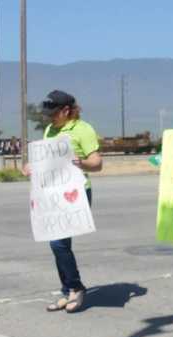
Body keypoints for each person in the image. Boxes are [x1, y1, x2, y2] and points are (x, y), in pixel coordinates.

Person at [23, 90, 103, 312]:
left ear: (67, 110)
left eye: (53, 113)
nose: (49, 118)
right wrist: (31, 168)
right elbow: (48, 162)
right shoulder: (50, 130)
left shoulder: (82, 129)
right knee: (56, 242)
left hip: (76, 192)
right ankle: (67, 290)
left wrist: (81, 162)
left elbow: (97, 163)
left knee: (59, 242)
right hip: (53, 193)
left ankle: (75, 288)